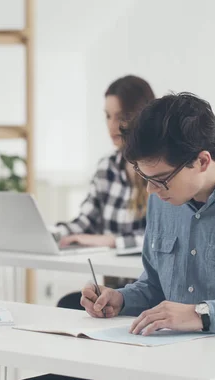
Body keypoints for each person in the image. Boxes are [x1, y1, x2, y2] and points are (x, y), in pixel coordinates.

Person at [0, 93, 215, 380]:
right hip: (161, 369)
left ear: (203, 161)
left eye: (161, 179)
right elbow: (155, 287)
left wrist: (203, 314)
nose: (152, 191)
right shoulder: (164, 200)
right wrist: (121, 299)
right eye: (145, 178)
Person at [55, 75, 154, 310]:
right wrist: (52, 235)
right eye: (108, 117)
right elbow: (85, 222)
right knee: (68, 306)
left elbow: (161, 240)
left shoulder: (162, 170)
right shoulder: (107, 166)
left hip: (151, 296)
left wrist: (110, 241)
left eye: (121, 117)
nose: (112, 126)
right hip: (115, 292)